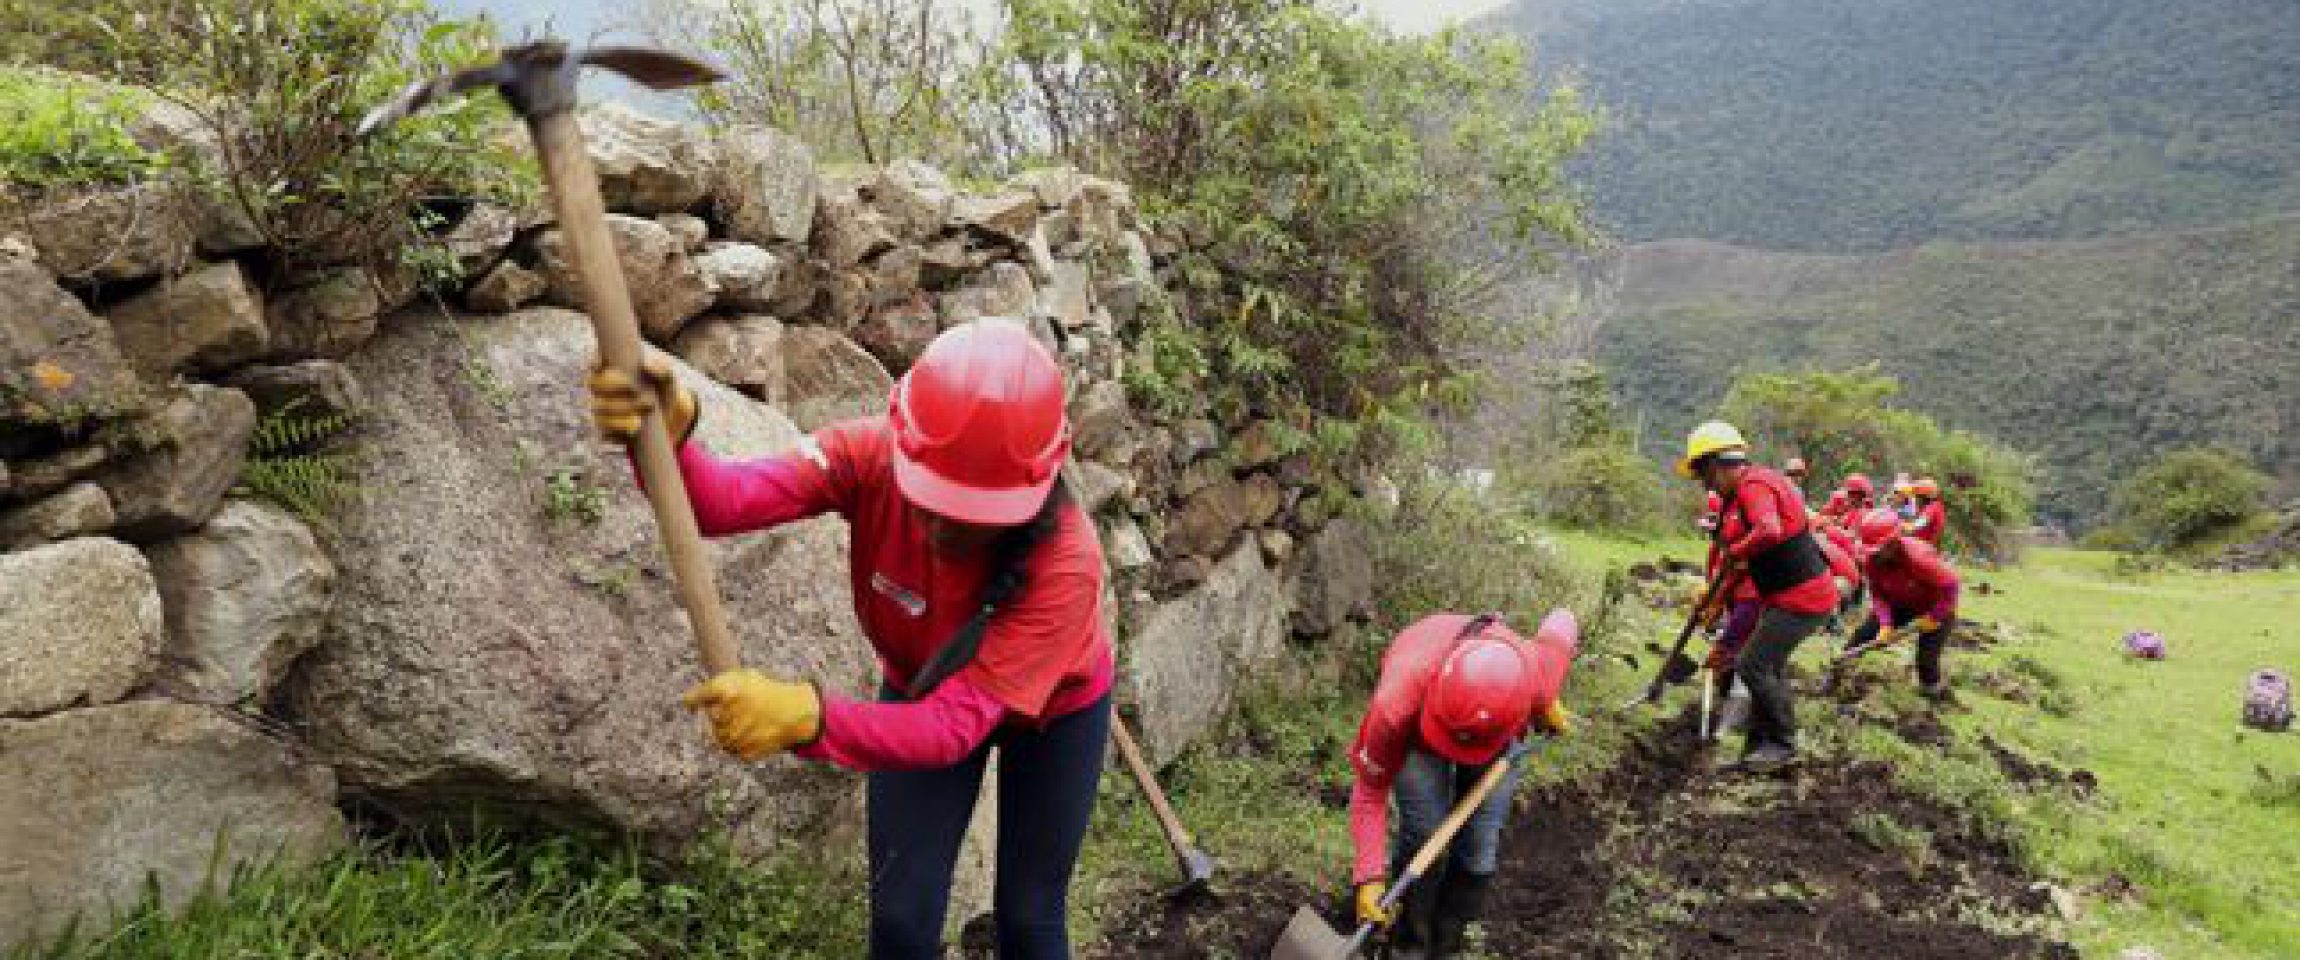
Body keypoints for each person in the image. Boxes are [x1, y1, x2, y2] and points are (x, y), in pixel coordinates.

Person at [588, 319, 1112, 960]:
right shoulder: (868, 458)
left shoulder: (1066, 565)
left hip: (1055, 716)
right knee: (900, 923)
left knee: (1029, 920)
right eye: (934, 501)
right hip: (922, 682)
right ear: (905, 444)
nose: (945, 527)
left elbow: (953, 727)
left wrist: (810, 719)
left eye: (974, 517)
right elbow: (722, 501)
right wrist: (670, 440)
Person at [1348, 611, 1578, 960]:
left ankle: (1448, 946)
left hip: (1497, 735)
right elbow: (1370, 792)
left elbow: (1563, 621)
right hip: (1417, 734)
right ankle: (1409, 945)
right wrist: (1368, 875)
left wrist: (1546, 701)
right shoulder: (1395, 706)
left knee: (1480, 841)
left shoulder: (1536, 673)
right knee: (1424, 831)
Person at [1677, 421, 1837, 771]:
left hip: (1804, 597)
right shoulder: (1737, 500)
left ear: (1717, 464)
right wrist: (1716, 600)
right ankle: (1761, 745)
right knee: (1768, 665)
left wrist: (1736, 552)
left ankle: (1782, 743)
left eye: (1703, 474)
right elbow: (1738, 567)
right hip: (1783, 597)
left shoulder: (1755, 485)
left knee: (1753, 664)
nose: (1704, 484)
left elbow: (1768, 530)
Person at [1851, 508, 1962, 701]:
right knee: (1861, 635)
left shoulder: (1919, 558)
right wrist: (1885, 623)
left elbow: (1951, 586)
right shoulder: (1871, 561)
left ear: (1893, 542)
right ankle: (1839, 674)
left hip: (1936, 607)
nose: (1875, 555)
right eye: (1872, 550)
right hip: (1899, 605)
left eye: (1879, 549)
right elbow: (1877, 595)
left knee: (1926, 661)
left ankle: (1936, 696)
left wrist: (1935, 617)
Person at [1907, 476, 1947, 547]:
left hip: (1921, 548)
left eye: (1916, 496)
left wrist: (1909, 527)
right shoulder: (1936, 506)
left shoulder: (1933, 507)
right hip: (1920, 546)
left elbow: (1923, 521)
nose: (1915, 498)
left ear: (1923, 497)